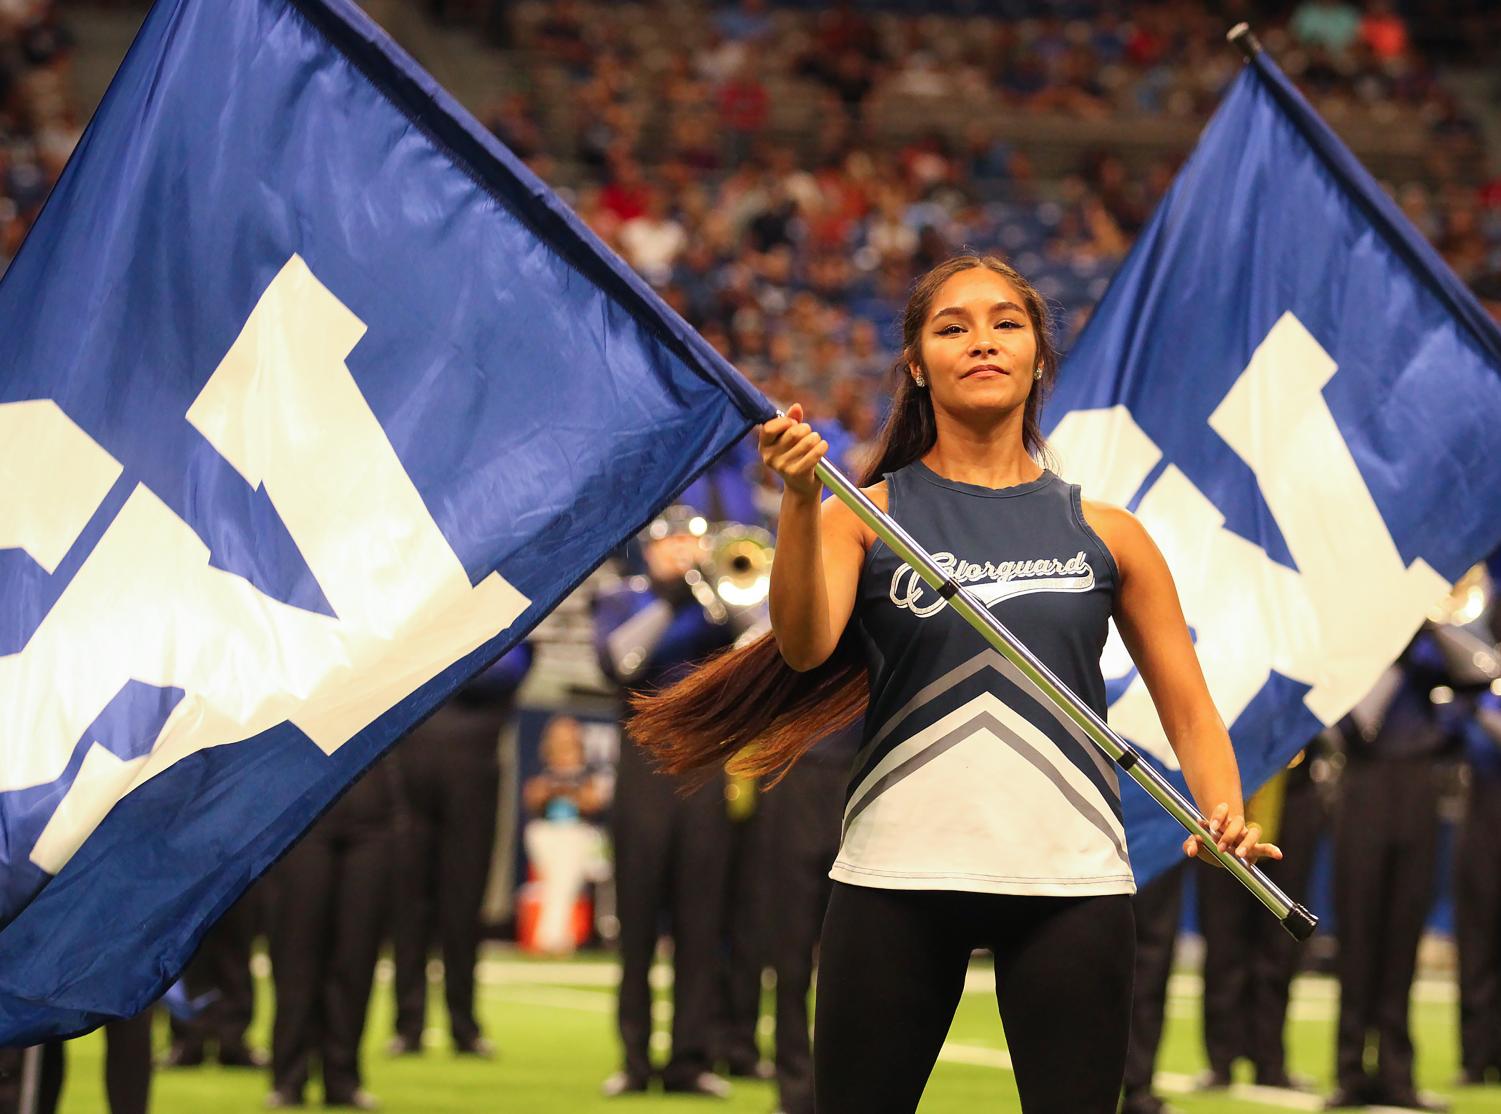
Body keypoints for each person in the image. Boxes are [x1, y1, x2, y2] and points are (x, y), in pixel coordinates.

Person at [628, 253, 1281, 1114]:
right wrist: (793, 500)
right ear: (915, 362)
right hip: (895, 875)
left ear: (1038, 356)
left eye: (1006, 323)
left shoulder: (1108, 533)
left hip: (1072, 882)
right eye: (952, 326)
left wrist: (1221, 807)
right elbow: (800, 645)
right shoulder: (862, 517)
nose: (982, 341)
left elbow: (1189, 708)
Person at [592, 506, 757, 1098]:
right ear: (650, 550)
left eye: (691, 544)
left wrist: (710, 587)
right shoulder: (625, 598)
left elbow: (759, 636)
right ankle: (635, 1061)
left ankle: (691, 1059)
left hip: (705, 767)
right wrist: (671, 597)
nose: (681, 554)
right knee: (636, 923)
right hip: (644, 771)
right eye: (670, 546)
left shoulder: (719, 601)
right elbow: (622, 662)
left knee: (700, 922)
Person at [387, 644, 533, 1058]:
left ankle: (463, 1023)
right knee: (409, 906)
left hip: (473, 779)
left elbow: (501, 675)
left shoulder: (506, 618)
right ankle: (408, 1023)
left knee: (464, 906)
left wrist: (438, 654)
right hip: (411, 776)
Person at [520, 714, 608, 956]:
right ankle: (556, 938)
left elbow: (593, 802)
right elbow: (532, 795)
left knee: (565, 870)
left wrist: (568, 792)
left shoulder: (587, 771)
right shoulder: (542, 768)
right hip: (546, 834)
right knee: (560, 876)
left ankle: (551, 939)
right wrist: (555, 789)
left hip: (578, 835)